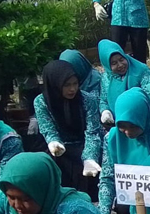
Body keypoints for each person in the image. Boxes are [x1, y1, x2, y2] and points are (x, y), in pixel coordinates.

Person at [98, 88, 150, 214]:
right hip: (131, 203)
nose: (128, 132)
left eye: (133, 126)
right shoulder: (113, 139)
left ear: (144, 118)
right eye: (122, 126)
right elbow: (108, 178)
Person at [35, 60, 102, 199]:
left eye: (75, 84)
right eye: (67, 85)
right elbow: (48, 128)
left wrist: (89, 157)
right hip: (60, 149)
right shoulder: (41, 102)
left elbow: (93, 131)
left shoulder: (87, 99)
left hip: (84, 145)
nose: (72, 89)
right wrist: (54, 142)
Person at [97, 39, 150, 125]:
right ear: (107, 65)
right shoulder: (107, 77)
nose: (120, 65)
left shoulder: (141, 70)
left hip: (142, 119)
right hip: (117, 123)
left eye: (121, 59)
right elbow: (103, 100)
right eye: (114, 63)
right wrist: (105, 112)